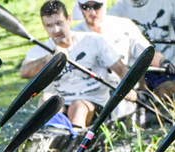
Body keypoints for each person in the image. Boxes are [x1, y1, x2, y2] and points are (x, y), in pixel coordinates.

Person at [19, 0, 137, 129]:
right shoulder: (41, 50)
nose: (56, 30)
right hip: (62, 102)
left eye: (59, 23)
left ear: (69, 20)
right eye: (49, 25)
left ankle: (73, 140)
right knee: (46, 98)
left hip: (93, 102)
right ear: (44, 27)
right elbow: (24, 72)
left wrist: (129, 88)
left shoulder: (92, 40)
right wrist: (48, 59)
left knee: (78, 106)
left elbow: (120, 67)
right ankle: (52, 133)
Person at [72, 0, 171, 104]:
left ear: (104, 4)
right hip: (93, 96)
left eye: (97, 6)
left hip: (129, 91)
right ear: (79, 7)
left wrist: (163, 62)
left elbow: (145, 52)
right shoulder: (75, 35)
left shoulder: (124, 25)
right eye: (86, 7)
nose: (92, 12)